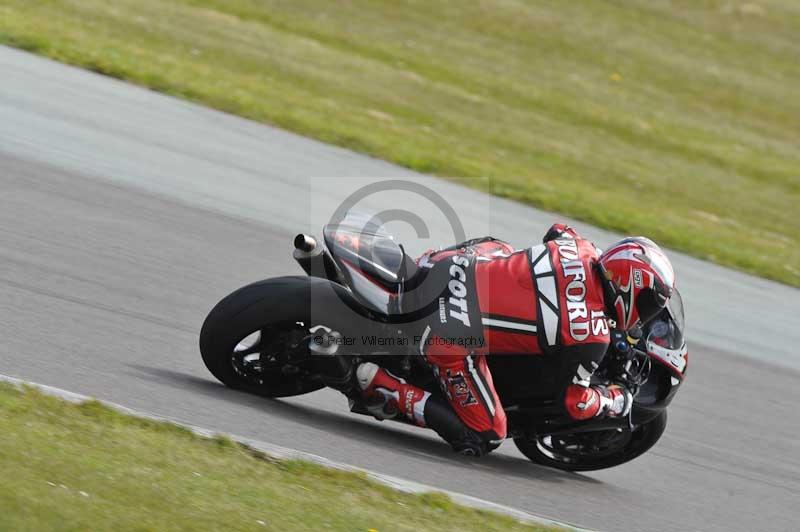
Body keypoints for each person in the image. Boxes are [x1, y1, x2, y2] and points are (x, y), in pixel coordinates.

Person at [345, 224, 678, 456]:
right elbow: (575, 403)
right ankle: (379, 383)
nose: (646, 314)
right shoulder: (591, 335)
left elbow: (558, 230)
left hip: (449, 267)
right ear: (626, 287)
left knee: (502, 247)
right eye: (648, 304)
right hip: (448, 333)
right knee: (486, 435)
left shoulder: (582, 248)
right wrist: (615, 400)